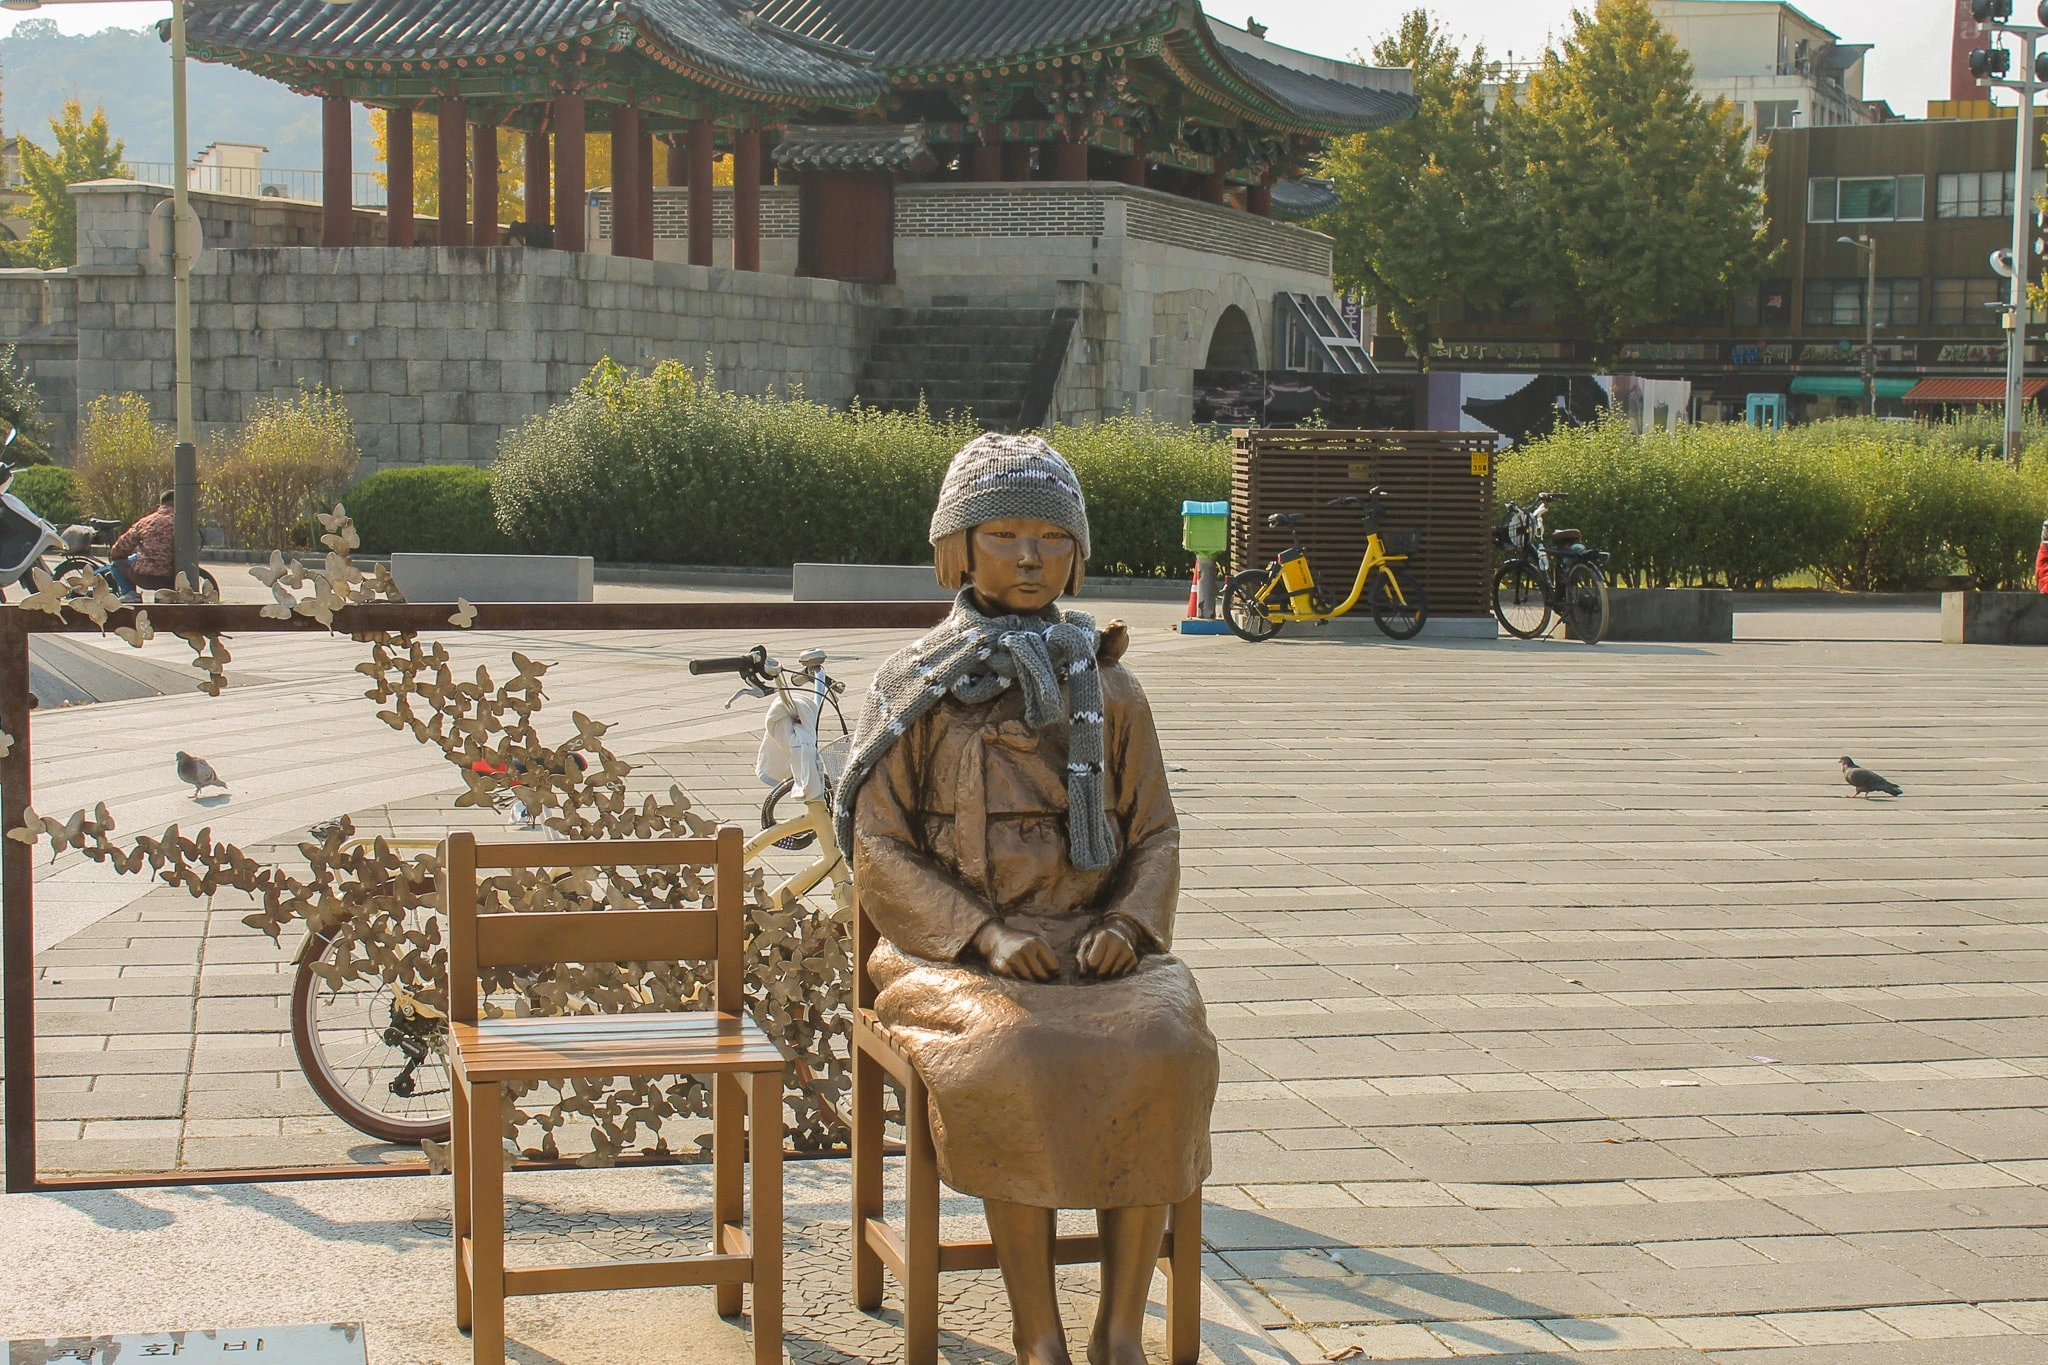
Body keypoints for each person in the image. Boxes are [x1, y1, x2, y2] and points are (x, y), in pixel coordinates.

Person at [836, 434, 1218, 1365]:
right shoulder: (916, 687)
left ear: (1078, 551)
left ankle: (1120, 1326)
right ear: (956, 548)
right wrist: (981, 933)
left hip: (1096, 946)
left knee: (1165, 1041)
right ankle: (1036, 1327)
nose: (1031, 557)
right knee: (1019, 1049)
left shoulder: (1113, 684)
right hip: (950, 957)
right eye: (1004, 534)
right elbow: (877, 846)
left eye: (1051, 537)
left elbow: (1156, 832)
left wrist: (1130, 923)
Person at [104, 490, 176, 604]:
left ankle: (130, 594)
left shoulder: (146, 521)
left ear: (160, 505)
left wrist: (116, 555)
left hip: (143, 577)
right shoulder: (183, 521)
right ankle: (164, 599)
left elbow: (123, 545)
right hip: (173, 578)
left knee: (116, 564)